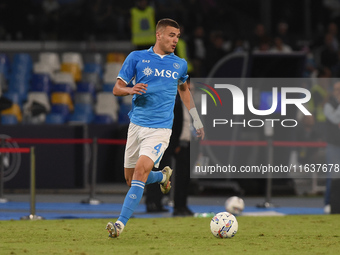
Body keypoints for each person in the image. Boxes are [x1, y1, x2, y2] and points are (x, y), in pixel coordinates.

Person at [106, 18, 205, 238]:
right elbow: (117, 88)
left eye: (177, 36)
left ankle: (119, 225)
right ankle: (161, 177)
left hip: (160, 129)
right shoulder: (136, 58)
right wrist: (130, 90)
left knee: (141, 171)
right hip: (136, 125)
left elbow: (185, 91)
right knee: (132, 180)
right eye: (171, 35)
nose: (175, 40)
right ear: (158, 35)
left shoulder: (179, 64)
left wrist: (196, 119)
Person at [323, 81, 340, 213]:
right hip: (334, 145)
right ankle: (329, 203)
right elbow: (334, 119)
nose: (338, 92)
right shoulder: (328, 105)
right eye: (336, 89)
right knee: (333, 175)